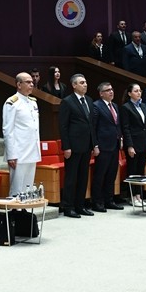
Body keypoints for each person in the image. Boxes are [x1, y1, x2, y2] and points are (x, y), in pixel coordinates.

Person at [58, 74, 97, 217]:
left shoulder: (89, 100)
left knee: (83, 177)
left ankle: (80, 205)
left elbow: (91, 125)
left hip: (86, 145)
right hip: (73, 147)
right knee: (71, 178)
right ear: (74, 85)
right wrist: (66, 146)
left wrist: (94, 144)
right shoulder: (67, 102)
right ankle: (68, 207)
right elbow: (63, 126)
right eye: (82, 82)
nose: (85, 85)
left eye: (85, 82)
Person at [2, 71, 41, 192]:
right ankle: (16, 210)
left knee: (28, 184)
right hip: (19, 151)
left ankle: (24, 208)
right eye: (28, 82)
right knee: (17, 185)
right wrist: (11, 154)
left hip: (32, 149)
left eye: (32, 82)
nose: (31, 84)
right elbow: (8, 130)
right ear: (19, 85)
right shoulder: (12, 102)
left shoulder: (33, 102)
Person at [91, 82, 123, 212]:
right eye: (108, 90)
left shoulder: (114, 105)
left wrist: (120, 138)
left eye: (112, 89)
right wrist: (95, 145)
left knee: (111, 174)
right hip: (103, 146)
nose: (111, 92)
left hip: (114, 145)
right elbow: (93, 127)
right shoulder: (96, 106)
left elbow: (117, 125)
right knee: (100, 175)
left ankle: (109, 200)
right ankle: (97, 202)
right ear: (101, 93)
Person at [119, 83, 146, 205]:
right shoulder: (126, 108)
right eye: (136, 91)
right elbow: (126, 128)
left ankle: (139, 196)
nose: (139, 93)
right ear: (129, 93)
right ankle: (132, 196)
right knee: (133, 171)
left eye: (140, 91)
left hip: (143, 142)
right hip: (133, 143)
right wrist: (129, 146)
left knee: (140, 171)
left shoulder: (143, 106)